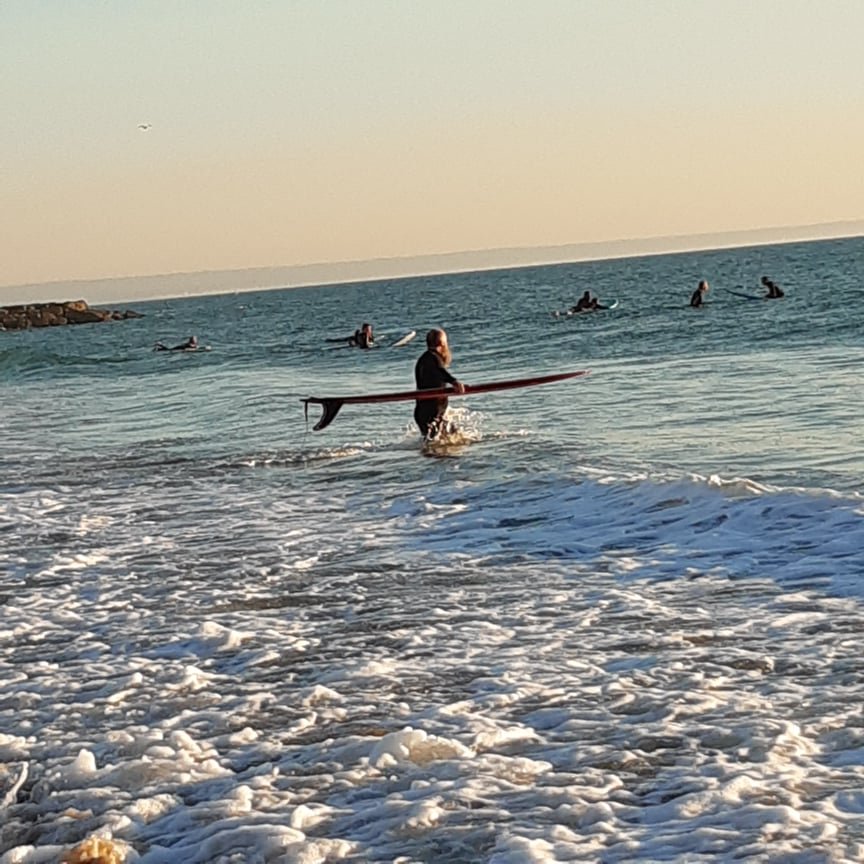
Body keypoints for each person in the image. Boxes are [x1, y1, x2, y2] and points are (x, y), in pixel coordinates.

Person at [414, 328, 466, 440]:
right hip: (430, 413)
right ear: (441, 343)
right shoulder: (432, 358)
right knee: (452, 440)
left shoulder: (424, 359)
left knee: (452, 439)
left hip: (425, 412)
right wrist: (454, 382)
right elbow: (440, 371)